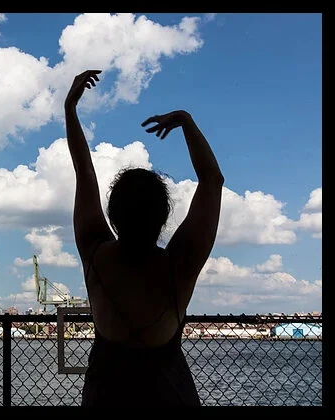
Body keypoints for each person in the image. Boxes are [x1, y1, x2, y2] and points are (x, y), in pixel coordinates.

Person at [64, 70, 224, 406]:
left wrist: (71, 108)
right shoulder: (180, 264)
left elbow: (84, 172)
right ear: (163, 216)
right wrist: (185, 121)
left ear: (113, 215)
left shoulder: (95, 252)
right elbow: (212, 180)